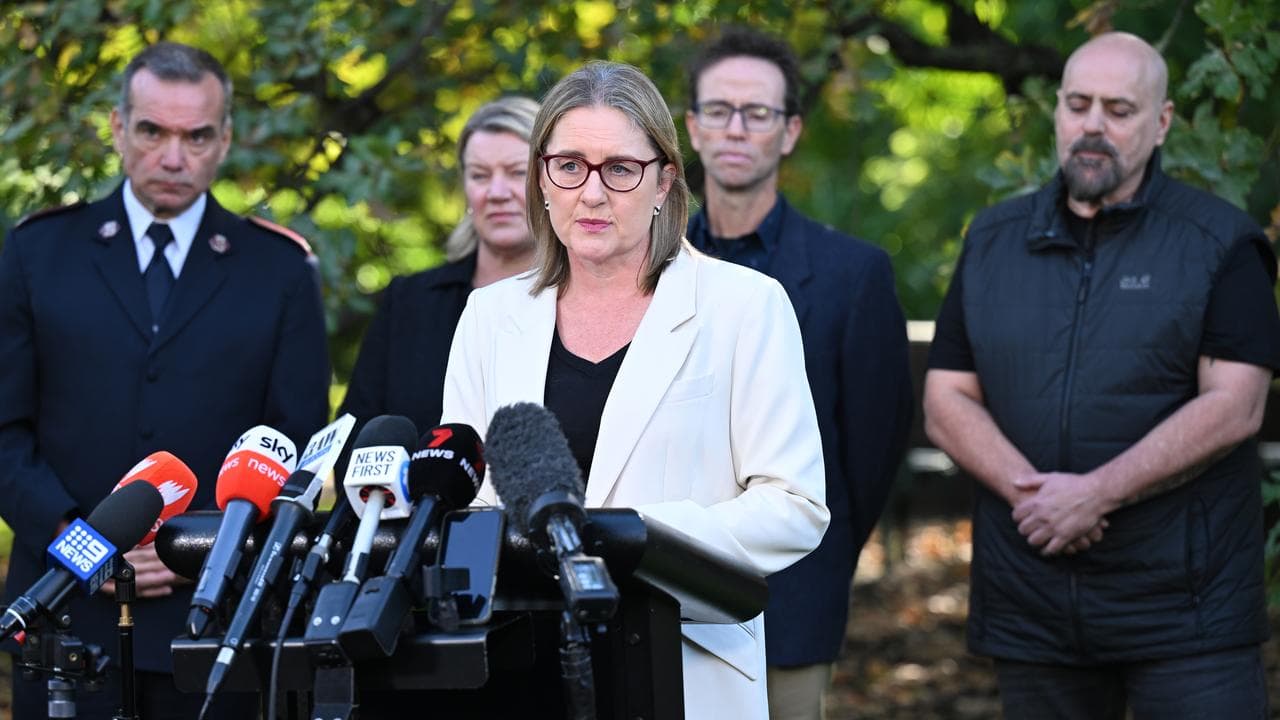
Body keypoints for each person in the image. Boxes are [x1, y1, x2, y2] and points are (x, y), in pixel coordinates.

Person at [440, 61, 829, 719]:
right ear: (542, 177)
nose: (592, 194)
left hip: (680, 662)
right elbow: (469, 495)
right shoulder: (488, 315)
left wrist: (631, 540)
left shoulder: (744, 305)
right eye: (569, 165)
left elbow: (794, 505)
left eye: (619, 169)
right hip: (519, 667)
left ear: (664, 181)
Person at [923, 31, 1280, 718]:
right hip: (1034, 608)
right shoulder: (994, 239)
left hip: (1188, 616)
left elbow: (1235, 406)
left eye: (1118, 109)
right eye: (1078, 103)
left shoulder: (1221, 243)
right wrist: (1039, 498)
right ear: (1057, 110)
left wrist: (1096, 494)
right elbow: (946, 400)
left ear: (1162, 122)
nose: (1093, 124)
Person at [0, 42, 330, 719]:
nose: (174, 157)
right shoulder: (38, 252)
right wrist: (83, 548)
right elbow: (4, 431)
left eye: (197, 135)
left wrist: (192, 551)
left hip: (216, 614)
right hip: (67, 616)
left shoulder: (279, 270)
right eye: (153, 131)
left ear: (225, 139)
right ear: (120, 129)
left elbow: (294, 444)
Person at [684, 28, 912, 720]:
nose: (736, 128)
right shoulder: (650, 268)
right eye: (719, 110)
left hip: (794, 595)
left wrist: (820, 556)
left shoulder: (854, 275)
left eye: (758, 113)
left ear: (789, 132)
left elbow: (871, 453)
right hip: (664, 589)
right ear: (691, 128)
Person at [340, 96, 539, 434]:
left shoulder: (582, 303)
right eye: (480, 175)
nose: (497, 192)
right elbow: (353, 437)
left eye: (517, 173)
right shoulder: (408, 303)